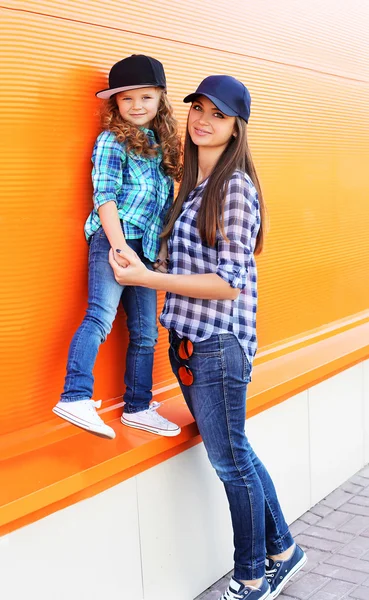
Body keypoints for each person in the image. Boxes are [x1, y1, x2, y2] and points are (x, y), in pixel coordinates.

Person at [108, 75, 307, 599]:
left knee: (230, 463)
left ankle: (252, 576)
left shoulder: (235, 188)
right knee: (236, 453)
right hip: (189, 342)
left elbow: (229, 284)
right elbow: (186, 261)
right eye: (198, 108)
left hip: (219, 344)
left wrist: (147, 280)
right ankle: (284, 549)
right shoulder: (194, 184)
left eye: (218, 115)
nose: (202, 120)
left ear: (236, 126)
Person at [53, 54, 182, 440]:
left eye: (145, 97)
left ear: (160, 98)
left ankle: (138, 406)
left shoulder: (163, 144)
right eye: (127, 99)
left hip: (145, 248)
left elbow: (164, 205)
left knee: (145, 333)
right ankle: (75, 395)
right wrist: (118, 245)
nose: (137, 106)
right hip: (114, 240)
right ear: (115, 104)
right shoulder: (111, 140)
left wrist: (157, 255)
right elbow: (104, 196)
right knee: (100, 316)